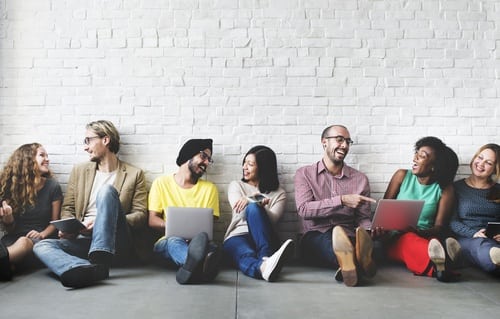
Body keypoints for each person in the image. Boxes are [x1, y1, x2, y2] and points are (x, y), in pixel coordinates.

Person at [33, 120, 148, 288]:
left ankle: (100, 256)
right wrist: (70, 228)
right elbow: (68, 209)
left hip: (117, 241)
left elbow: (140, 215)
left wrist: (104, 221)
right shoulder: (80, 171)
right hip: (84, 239)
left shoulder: (134, 174)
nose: (85, 147)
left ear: (105, 140)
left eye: (88, 140)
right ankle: (83, 268)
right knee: (41, 245)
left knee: (107, 191)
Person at [294, 124, 377, 287]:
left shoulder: (360, 179)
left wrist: (368, 231)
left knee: (361, 242)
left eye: (348, 141)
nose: (345, 146)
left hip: (350, 235)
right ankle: (358, 262)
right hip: (315, 234)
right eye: (339, 140)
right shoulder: (304, 174)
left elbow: (363, 218)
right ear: (324, 142)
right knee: (330, 244)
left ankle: (349, 265)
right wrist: (342, 200)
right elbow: (304, 209)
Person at [383, 136, 460, 282]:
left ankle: (441, 266)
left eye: (422, 156)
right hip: (397, 237)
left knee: (431, 242)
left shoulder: (445, 189)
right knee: (410, 240)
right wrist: (381, 229)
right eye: (416, 153)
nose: (415, 158)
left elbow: (439, 227)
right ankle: (446, 263)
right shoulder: (401, 176)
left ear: (434, 166)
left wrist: (418, 231)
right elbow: (383, 211)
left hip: (427, 236)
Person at [148, 138, 221, 285]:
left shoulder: (209, 188)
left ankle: (191, 268)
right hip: (169, 243)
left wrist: (195, 237)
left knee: (212, 247)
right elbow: (152, 220)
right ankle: (201, 265)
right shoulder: (161, 183)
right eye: (203, 156)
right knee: (175, 241)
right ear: (189, 154)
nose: (206, 163)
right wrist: (174, 228)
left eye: (209, 160)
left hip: (198, 242)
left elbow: (208, 225)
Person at [223, 145, 294, 282]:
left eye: (250, 164)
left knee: (255, 208)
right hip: (238, 236)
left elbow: (272, 220)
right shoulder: (236, 185)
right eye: (244, 163)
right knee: (246, 254)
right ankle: (263, 267)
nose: (244, 167)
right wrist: (255, 200)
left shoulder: (279, 193)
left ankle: (264, 258)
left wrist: (257, 200)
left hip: (264, 238)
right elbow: (239, 210)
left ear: (263, 167)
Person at [0, 143, 62, 281]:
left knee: (23, 242)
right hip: (12, 239)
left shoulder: (52, 186)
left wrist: (42, 234)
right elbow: (10, 229)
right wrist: (8, 216)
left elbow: (55, 222)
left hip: (40, 241)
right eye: (42, 155)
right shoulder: (11, 187)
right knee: (9, 266)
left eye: (47, 156)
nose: (47, 159)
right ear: (28, 160)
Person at [450, 143, 500, 276]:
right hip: (467, 237)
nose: (481, 164)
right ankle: (493, 258)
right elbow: (452, 221)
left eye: (488, 162)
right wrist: (473, 233)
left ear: (495, 169)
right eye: (480, 157)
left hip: (493, 239)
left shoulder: (498, 190)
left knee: (488, 249)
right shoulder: (456, 188)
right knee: (482, 247)